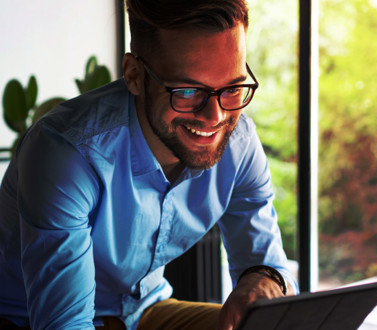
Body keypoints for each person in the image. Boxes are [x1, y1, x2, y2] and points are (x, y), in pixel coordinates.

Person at [0, 0, 298, 329]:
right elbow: (64, 324)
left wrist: (263, 282)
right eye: (187, 91)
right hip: (25, 319)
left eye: (232, 87)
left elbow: (269, 265)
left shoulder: (238, 145)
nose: (216, 117)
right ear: (135, 75)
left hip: (145, 312)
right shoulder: (67, 154)